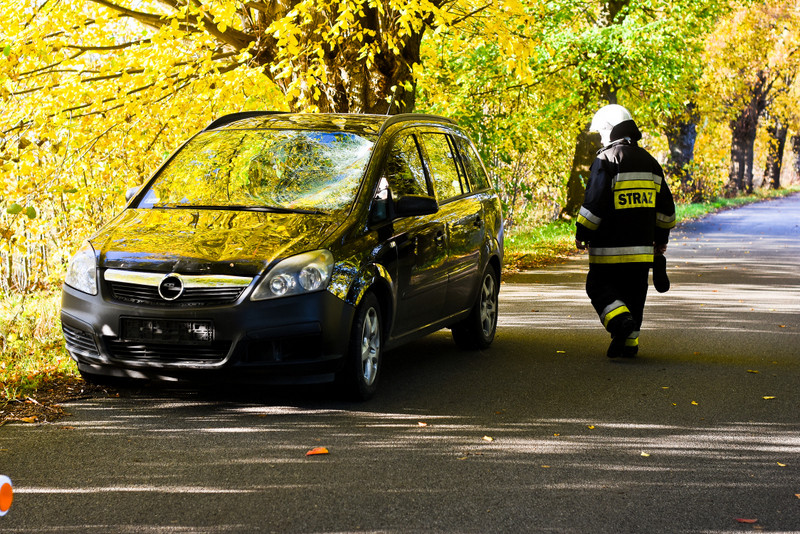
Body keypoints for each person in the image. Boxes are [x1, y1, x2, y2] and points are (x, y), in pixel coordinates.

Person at [575, 104, 676, 358]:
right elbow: (667, 209)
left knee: (598, 288)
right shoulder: (651, 163)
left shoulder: (606, 160)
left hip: (607, 252)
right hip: (641, 254)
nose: (599, 138)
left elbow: (594, 203)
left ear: (610, 130)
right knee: (634, 297)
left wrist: (582, 231)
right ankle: (628, 344)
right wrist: (661, 240)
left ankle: (619, 323)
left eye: (600, 133)